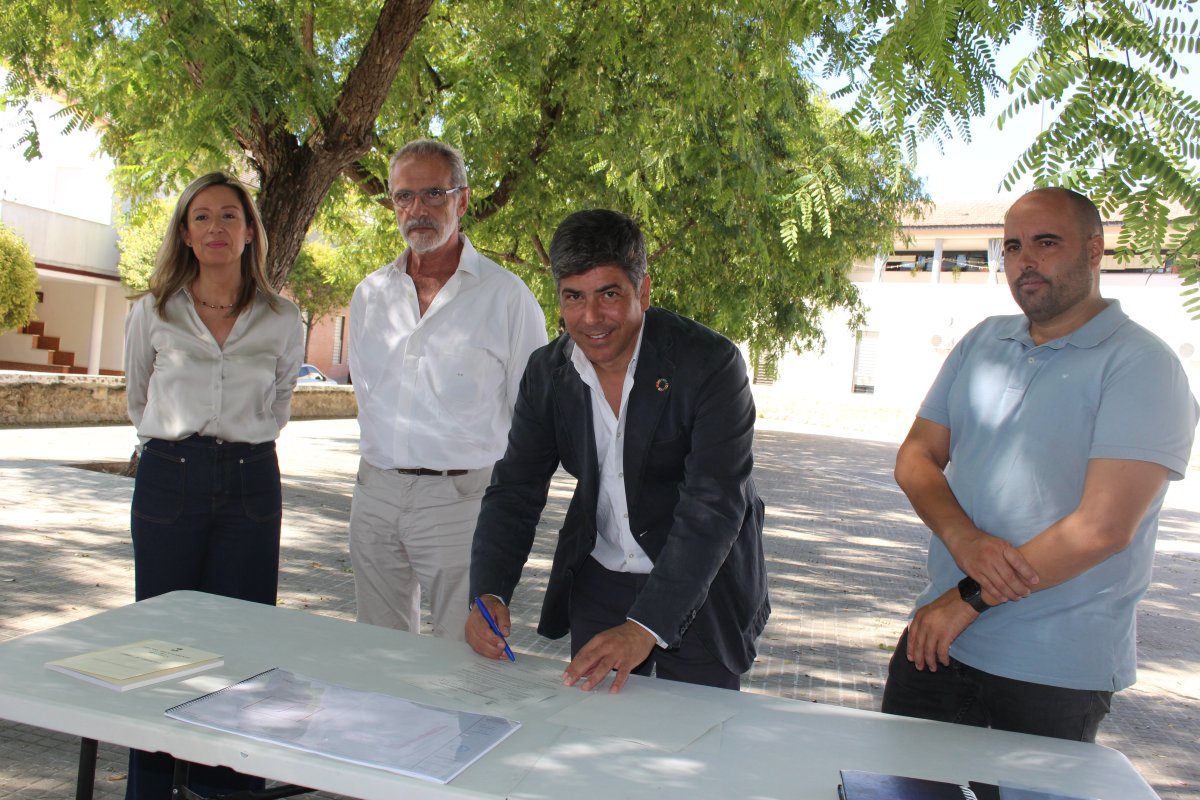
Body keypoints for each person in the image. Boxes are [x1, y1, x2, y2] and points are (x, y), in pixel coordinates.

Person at [882, 187, 1198, 741]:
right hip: (936, 641)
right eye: (1011, 246)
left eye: (1046, 242)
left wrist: (967, 599)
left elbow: (1101, 529)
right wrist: (964, 540)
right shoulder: (982, 341)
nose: (1024, 260)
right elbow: (916, 456)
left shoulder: (1143, 365)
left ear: (1095, 251)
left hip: (1051, 669)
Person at [467, 208, 770, 693]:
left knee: (694, 745)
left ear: (643, 291)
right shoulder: (547, 373)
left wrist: (645, 627)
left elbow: (713, 506)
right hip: (601, 579)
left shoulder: (710, 364)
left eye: (609, 294)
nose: (590, 318)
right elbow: (515, 489)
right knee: (592, 736)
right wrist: (488, 592)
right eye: (574, 298)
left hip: (701, 586)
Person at [123, 171, 304, 798]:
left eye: (230, 215)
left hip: (252, 482)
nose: (216, 228)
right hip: (168, 477)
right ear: (185, 232)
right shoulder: (153, 311)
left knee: (243, 642)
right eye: (201, 216)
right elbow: (136, 394)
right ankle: (150, 784)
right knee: (161, 642)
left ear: (250, 230)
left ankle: (225, 786)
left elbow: (280, 400)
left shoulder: (283, 318)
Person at [348, 139, 546, 640]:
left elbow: (534, 417)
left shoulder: (507, 297)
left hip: (463, 502)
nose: (417, 209)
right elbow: (367, 393)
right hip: (375, 495)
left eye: (434, 193)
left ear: (463, 199)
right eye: (403, 197)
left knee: (464, 651)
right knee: (377, 648)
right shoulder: (370, 294)